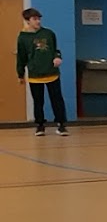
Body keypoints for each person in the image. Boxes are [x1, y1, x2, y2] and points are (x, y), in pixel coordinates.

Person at [15, 8, 68, 136]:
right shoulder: (22, 37)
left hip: (52, 73)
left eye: (39, 18)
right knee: (38, 101)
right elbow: (21, 57)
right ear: (27, 21)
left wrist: (57, 57)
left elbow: (55, 50)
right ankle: (40, 125)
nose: (38, 21)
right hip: (35, 74)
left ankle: (61, 125)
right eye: (34, 19)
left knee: (57, 100)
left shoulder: (49, 33)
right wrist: (20, 74)